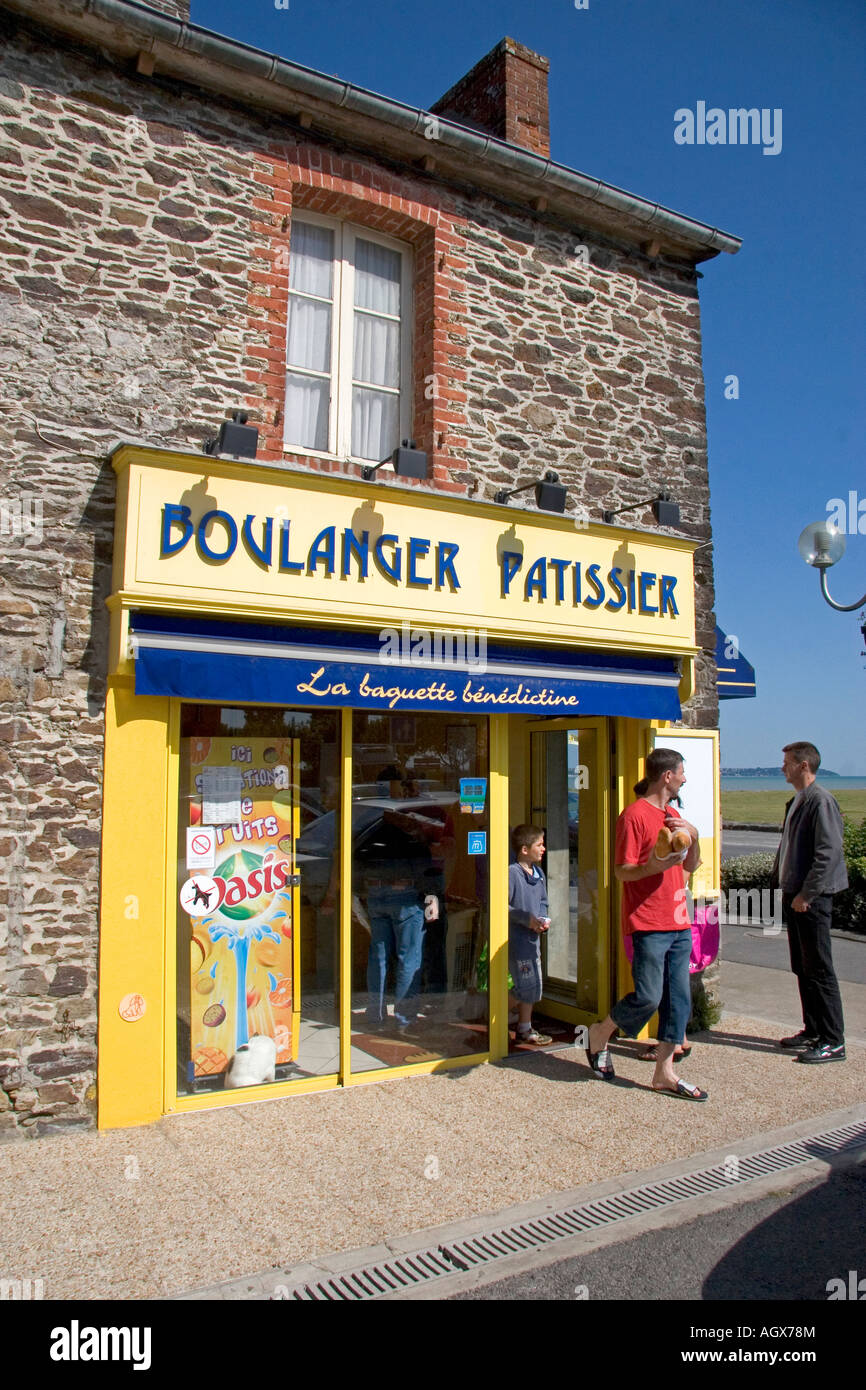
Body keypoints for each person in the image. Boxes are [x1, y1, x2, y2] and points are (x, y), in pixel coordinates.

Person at [584, 748, 708, 1100]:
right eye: (681, 772)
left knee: (679, 1000)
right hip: (648, 920)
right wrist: (651, 868)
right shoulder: (634, 816)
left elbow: (690, 866)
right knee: (648, 997)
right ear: (666, 776)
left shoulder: (674, 816)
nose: (684, 778)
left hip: (678, 920)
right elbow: (621, 870)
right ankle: (599, 1033)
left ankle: (664, 1072)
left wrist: (694, 834)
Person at [772, 742, 848, 1063]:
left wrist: (807, 894)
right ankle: (813, 1029)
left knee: (819, 967)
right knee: (803, 966)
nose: (782, 767)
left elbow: (827, 853)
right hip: (795, 896)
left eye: (788, 762)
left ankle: (833, 1040)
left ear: (804, 766)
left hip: (811, 899)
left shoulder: (821, 801)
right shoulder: (798, 801)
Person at [508, 825, 552, 1046]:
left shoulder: (539, 873)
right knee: (526, 985)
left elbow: (543, 901)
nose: (543, 848)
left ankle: (525, 1026)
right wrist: (526, 919)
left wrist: (543, 919)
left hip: (532, 940)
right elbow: (502, 906)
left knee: (534, 984)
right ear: (524, 849)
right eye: (539, 845)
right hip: (517, 940)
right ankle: (495, 1010)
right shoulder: (512, 873)